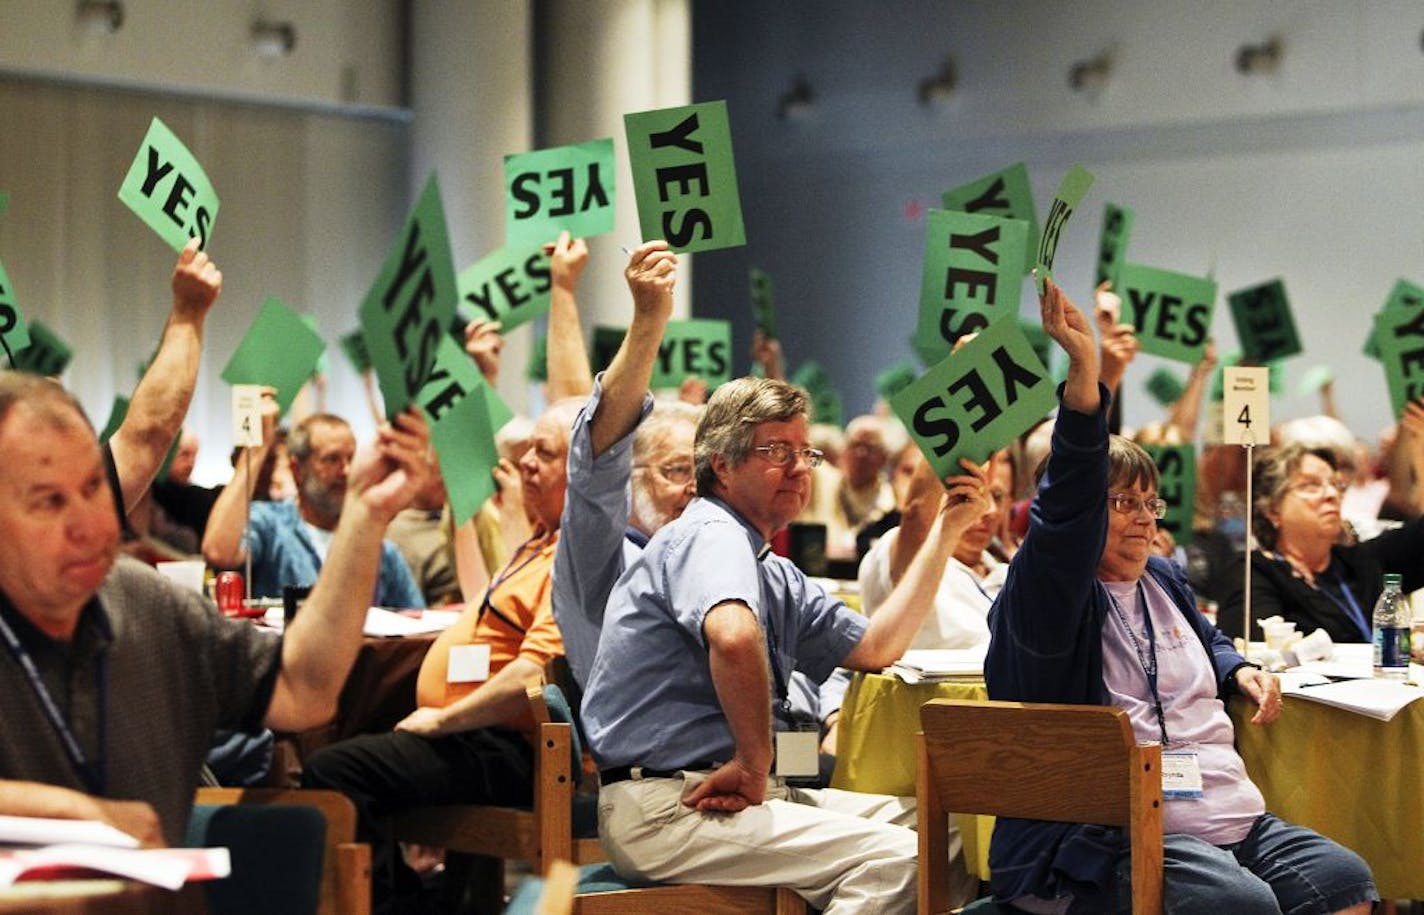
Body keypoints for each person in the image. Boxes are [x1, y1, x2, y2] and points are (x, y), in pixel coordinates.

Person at [984, 276, 1376, 914]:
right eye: (1120, 504)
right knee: (1241, 905)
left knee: (1345, 878)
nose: (1144, 518)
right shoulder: (1048, 595)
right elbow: (1062, 514)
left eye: (1149, 503)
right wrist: (1089, 370)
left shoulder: (1162, 577)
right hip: (1108, 832)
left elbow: (1205, 634)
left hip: (1226, 815)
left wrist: (1236, 667)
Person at [580, 375, 994, 912]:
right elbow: (732, 637)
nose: (800, 468)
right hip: (670, 806)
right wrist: (754, 763)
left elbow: (875, 648)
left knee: (959, 833)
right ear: (721, 465)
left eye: (806, 452)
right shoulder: (711, 532)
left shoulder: (769, 567)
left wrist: (947, 532)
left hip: (730, 794)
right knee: (908, 859)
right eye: (777, 451)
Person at [0, 372, 431, 845]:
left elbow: (302, 688)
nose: (89, 524)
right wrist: (72, 814)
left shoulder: (145, 602)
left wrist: (365, 517)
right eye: (48, 501)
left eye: (93, 487)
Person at [303, 394, 584, 915]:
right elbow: (485, 606)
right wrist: (465, 510)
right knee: (346, 739)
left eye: (543, 454)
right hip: (480, 734)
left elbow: (534, 673)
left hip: (513, 747)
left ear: (586, 470)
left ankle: (401, 907)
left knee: (335, 772)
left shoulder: (576, 559)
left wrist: (442, 721)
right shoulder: (540, 543)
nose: (524, 462)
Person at [1217, 416, 1424, 644]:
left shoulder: (1362, 561)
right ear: (1272, 509)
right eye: (1311, 485)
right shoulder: (1252, 572)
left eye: (1335, 484)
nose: (1332, 495)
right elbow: (1259, 658)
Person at [203, 408, 423, 607]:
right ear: (297, 470)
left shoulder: (380, 549)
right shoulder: (270, 524)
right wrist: (256, 451)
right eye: (332, 459)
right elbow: (218, 553)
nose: (346, 470)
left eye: (351, 458)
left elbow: (420, 627)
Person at [859, 447, 1014, 650]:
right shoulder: (904, 556)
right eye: (968, 492)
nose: (989, 509)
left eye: (998, 495)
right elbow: (917, 511)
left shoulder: (1008, 573)